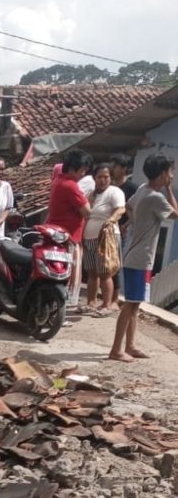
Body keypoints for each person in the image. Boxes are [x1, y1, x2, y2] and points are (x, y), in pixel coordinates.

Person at [109, 154, 178, 362]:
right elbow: (175, 213)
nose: (171, 176)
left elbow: (129, 206)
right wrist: (169, 189)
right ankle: (116, 349)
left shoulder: (142, 190)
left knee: (135, 304)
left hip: (135, 255)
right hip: (140, 259)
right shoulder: (155, 197)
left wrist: (135, 223)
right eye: (169, 172)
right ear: (162, 174)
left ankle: (129, 345)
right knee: (130, 304)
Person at [45, 149, 92, 311]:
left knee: (57, 275)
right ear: (73, 168)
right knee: (65, 276)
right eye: (82, 170)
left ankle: (53, 309)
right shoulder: (71, 186)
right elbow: (87, 212)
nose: (83, 174)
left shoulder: (58, 180)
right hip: (67, 237)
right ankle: (58, 310)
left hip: (57, 233)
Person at [82, 163, 126, 314]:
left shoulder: (115, 191)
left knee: (105, 272)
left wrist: (110, 220)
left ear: (110, 178)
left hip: (107, 238)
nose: (103, 180)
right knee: (92, 272)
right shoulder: (91, 194)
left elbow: (121, 209)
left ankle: (106, 305)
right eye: (99, 177)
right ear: (94, 178)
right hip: (89, 237)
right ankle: (91, 303)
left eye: (106, 177)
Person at [110, 153, 138, 306]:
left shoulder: (132, 188)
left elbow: (134, 211)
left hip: (120, 230)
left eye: (116, 166)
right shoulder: (109, 185)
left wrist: (125, 226)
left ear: (124, 169)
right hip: (105, 228)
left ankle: (114, 298)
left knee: (115, 264)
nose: (113, 169)